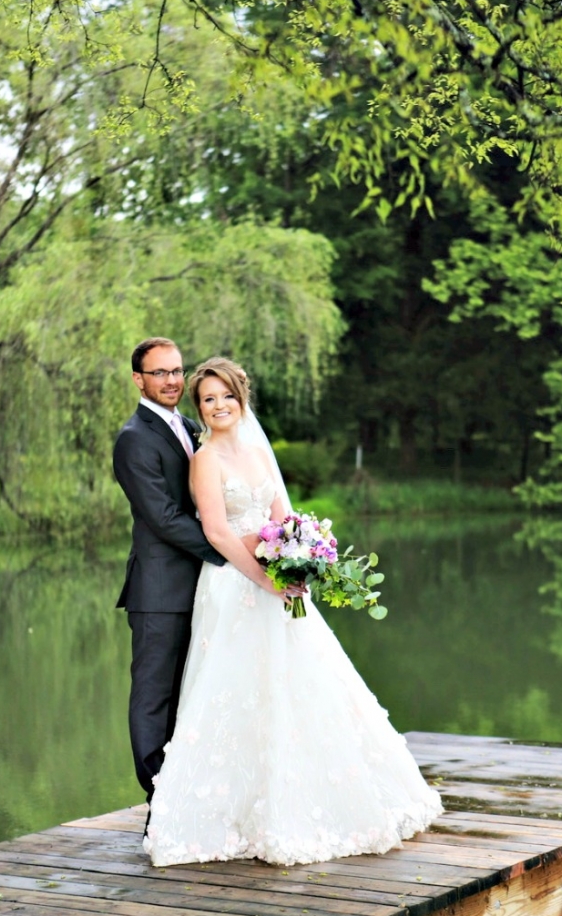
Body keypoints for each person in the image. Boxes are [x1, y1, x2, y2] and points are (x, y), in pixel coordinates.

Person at [144, 356, 443, 867]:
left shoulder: (259, 453)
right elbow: (215, 532)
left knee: (301, 684)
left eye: (226, 397)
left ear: (242, 398)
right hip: (233, 585)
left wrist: (300, 560)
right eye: (208, 400)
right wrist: (262, 576)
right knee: (236, 688)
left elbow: (284, 518)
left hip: (279, 586)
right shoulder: (206, 459)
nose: (218, 407)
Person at [113, 338, 226, 819]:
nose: (172, 381)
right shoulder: (134, 437)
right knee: (155, 698)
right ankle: (159, 800)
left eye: (177, 371)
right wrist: (227, 551)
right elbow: (161, 516)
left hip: (201, 588)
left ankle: (189, 791)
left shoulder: (188, 425)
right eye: (159, 373)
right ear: (139, 379)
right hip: (159, 592)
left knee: (192, 694)